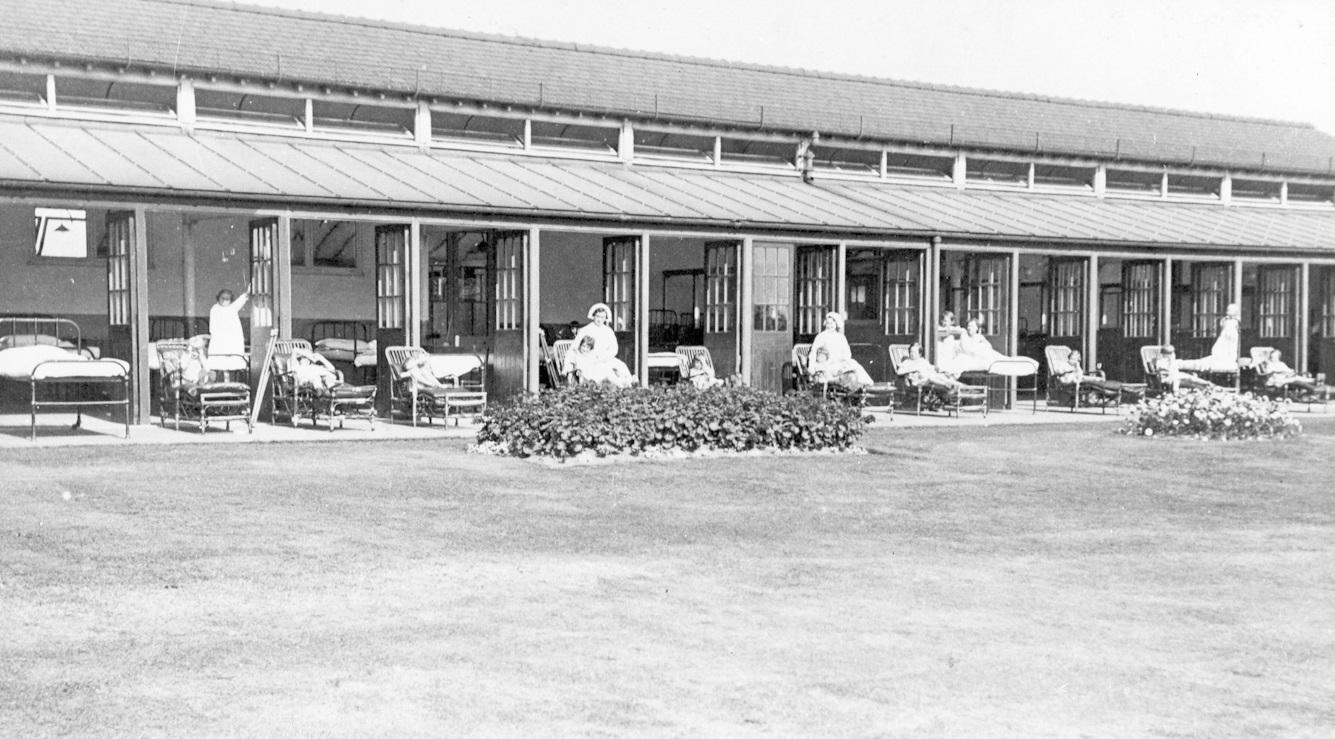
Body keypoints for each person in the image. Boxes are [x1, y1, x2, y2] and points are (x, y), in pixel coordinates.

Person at [566, 303, 635, 388]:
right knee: (606, 370)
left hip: (606, 357)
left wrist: (606, 356)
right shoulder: (585, 330)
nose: (599, 319)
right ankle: (615, 386)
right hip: (590, 359)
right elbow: (575, 347)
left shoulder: (608, 331)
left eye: (602, 317)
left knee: (621, 366)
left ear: (605, 318)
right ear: (593, 316)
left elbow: (614, 348)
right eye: (597, 316)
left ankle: (628, 385)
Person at [807, 311, 873, 391]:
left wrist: (842, 359)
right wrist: (811, 366)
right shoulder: (821, 336)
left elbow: (847, 354)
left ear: (836, 324)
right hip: (827, 364)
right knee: (845, 371)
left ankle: (865, 386)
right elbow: (813, 352)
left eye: (832, 324)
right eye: (828, 323)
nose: (829, 326)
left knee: (853, 364)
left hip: (839, 363)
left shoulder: (841, 337)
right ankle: (855, 388)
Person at [897, 341, 969, 408]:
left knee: (941, 376)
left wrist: (938, 369)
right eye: (911, 352)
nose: (912, 354)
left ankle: (964, 387)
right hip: (918, 382)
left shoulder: (922, 361)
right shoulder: (907, 362)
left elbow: (931, 367)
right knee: (931, 377)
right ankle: (948, 385)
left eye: (914, 352)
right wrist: (915, 367)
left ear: (919, 354)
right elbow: (899, 372)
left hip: (929, 378)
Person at [1052, 349, 1141, 403]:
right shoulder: (1063, 364)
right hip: (1072, 380)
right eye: (1073, 357)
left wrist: (1077, 366)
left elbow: (1081, 374)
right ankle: (1131, 390)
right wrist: (1069, 369)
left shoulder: (1077, 365)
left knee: (1099, 380)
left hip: (1080, 379)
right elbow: (1058, 371)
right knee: (1095, 382)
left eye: (1077, 358)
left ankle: (1128, 389)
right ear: (1069, 357)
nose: (1075, 359)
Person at [1179, 303, 1241, 373]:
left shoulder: (1232, 326)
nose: (1227, 310)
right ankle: (1179, 364)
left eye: (1230, 309)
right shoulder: (1226, 323)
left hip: (1224, 357)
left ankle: (1179, 364)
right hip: (1219, 356)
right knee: (1201, 363)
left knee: (1202, 363)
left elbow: (1228, 342)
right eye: (1228, 309)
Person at [208, 287, 249, 358]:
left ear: (231, 300)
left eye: (227, 299)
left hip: (233, 346)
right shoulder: (215, 309)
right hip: (219, 345)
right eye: (222, 298)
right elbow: (214, 329)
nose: (224, 300)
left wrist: (247, 293)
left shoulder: (232, 308)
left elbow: (241, 300)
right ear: (218, 298)